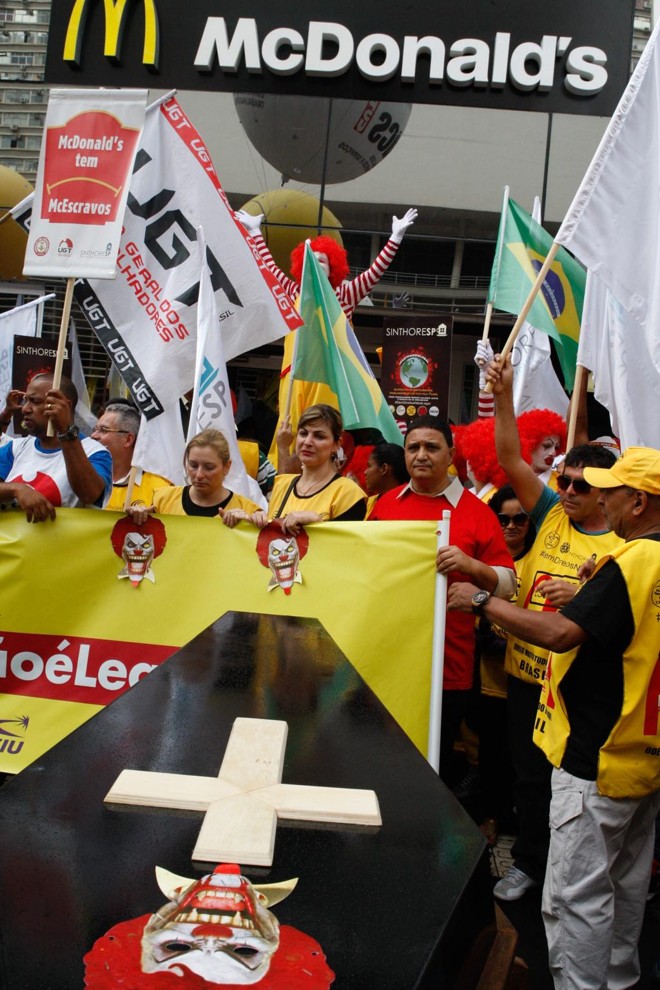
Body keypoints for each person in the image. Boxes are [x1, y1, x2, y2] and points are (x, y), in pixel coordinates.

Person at [447, 445, 660, 990]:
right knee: (625, 886)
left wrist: (479, 602)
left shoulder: (635, 561)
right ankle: (619, 981)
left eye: (609, 491)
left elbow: (560, 632)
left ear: (638, 502)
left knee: (576, 897)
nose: (601, 501)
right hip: (644, 758)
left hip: (598, 757)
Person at [485, 353, 622, 903]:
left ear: (607, 494)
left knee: (575, 790)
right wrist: (502, 392)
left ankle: (570, 878)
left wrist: (585, 597)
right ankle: (529, 865)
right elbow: (509, 455)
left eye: (579, 487)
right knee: (528, 779)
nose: (565, 491)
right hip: (525, 676)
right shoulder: (550, 513)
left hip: (577, 690)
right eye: (563, 481)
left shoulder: (624, 541)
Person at [369, 414, 516, 781]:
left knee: (433, 768)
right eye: (413, 447)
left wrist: (470, 565)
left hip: (447, 666)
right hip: (388, 660)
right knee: (387, 761)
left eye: (432, 447)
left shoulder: (478, 512)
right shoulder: (384, 505)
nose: (421, 455)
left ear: (451, 453)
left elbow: (509, 583)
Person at [476, 485, 536, 846]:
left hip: (530, 680)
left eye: (519, 519)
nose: (511, 526)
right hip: (490, 680)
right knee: (492, 754)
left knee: (525, 762)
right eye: (502, 519)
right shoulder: (486, 566)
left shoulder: (539, 558)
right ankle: (491, 817)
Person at [0, 373, 112, 521]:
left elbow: (89, 495)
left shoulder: (95, 452)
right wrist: (17, 489)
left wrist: (66, 431)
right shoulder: (15, 448)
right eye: (26, 400)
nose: (25, 409)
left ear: (65, 406)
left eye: (35, 401)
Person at [249, 404, 366, 535]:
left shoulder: (348, 494)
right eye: (303, 433)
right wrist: (250, 522)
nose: (307, 442)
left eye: (319, 436)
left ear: (336, 444)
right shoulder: (282, 484)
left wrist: (318, 521)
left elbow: (348, 548)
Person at [127, 428, 260, 527]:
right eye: (193, 465)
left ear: (227, 467)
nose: (199, 475)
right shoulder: (162, 500)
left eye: (209, 467)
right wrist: (136, 517)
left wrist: (253, 524)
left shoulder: (247, 509)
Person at [91, 400, 172, 511]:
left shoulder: (160, 488)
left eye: (103, 430)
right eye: (95, 429)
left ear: (128, 439)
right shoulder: (85, 478)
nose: (93, 436)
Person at [364, 442, 409, 518]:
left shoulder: (409, 502)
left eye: (369, 466)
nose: (365, 472)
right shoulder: (370, 503)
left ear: (384, 468)